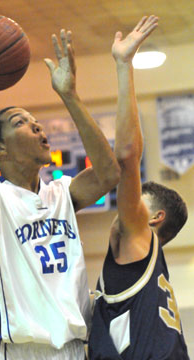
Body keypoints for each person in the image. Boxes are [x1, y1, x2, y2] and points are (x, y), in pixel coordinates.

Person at [0, 29, 120, 360]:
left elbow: (109, 173)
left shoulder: (61, 192)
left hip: (74, 348)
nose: (38, 127)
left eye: (36, 120)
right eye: (21, 123)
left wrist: (69, 95)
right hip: (20, 351)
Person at [88, 15, 190, 360]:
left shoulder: (138, 239)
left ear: (155, 219)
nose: (125, 207)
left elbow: (128, 156)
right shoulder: (149, 277)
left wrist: (123, 65)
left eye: (137, 201)